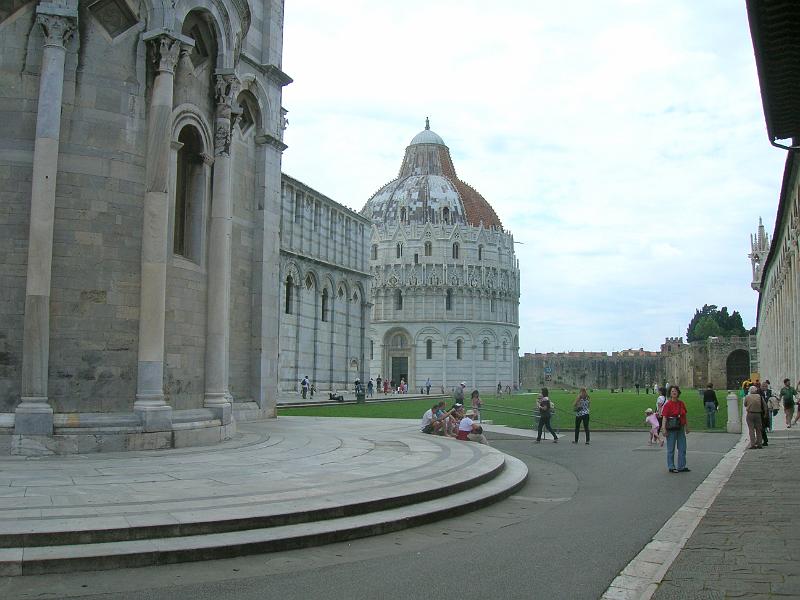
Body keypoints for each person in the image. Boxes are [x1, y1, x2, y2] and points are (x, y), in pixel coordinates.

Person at [660, 385, 690, 473]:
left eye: (676, 391)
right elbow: (664, 417)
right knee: (671, 448)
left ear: (678, 392)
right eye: (672, 391)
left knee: (682, 448)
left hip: (680, 427)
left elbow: (685, 416)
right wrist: (663, 428)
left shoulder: (681, 403)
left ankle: (681, 466)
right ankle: (671, 466)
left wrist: (687, 426)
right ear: (670, 393)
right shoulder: (667, 404)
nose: (674, 392)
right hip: (671, 428)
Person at [744, 385, 766, 449]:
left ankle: (752, 444)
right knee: (758, 429)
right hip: (758, 414)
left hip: (750, 413)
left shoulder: (747, 397)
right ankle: (759, 443)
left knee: (751, 429)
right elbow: (764, 405)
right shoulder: (759, 397)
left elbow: (745, 404)